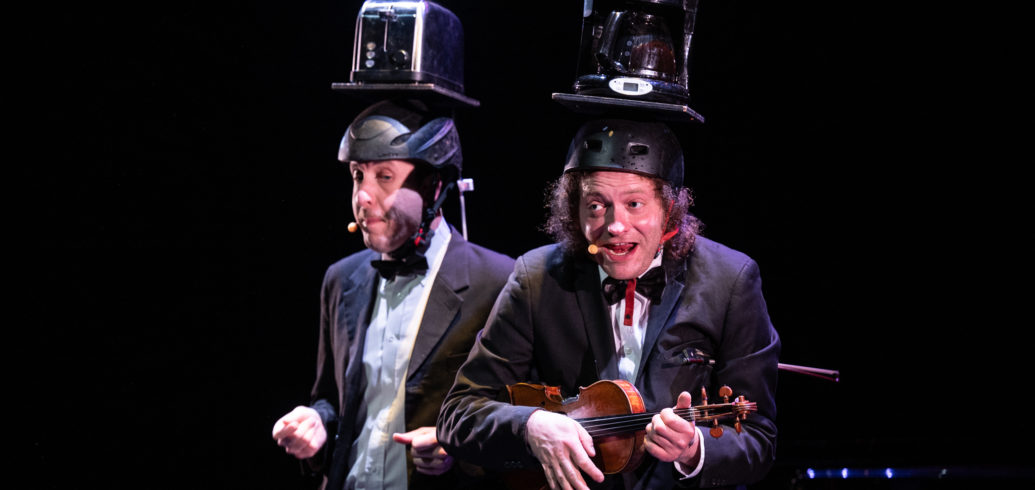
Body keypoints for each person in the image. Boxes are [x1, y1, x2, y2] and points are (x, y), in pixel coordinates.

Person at [437, 118, 780, 489]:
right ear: (575, 210)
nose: (615, 225)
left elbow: (758, 439)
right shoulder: (536, 278)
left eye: (634, 204)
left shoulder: (730, 281)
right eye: (596, 205)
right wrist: (530, 426)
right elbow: (459, 415)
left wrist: (695, 451)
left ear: (669, 209)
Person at [272, 98, 515, 490]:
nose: (362, 197)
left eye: (384, 176)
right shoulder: (341, 278)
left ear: (434, 186)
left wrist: (457, 449)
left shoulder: (497, 281)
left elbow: (517, 423)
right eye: (358, 175)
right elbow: (331, 398)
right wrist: (317, 422)